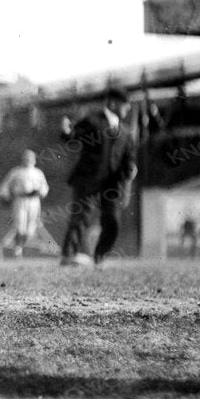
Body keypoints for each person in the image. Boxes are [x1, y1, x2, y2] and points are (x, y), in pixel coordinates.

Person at [58, 87, 139, 267]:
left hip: (112, 185)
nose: (127, 109)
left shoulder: (125, 132)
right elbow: (73, 137)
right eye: (125, 105)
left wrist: (129, 172)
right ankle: (68, 256)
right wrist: (65, 131)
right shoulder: (92, 120)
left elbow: (129, 159)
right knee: (82, 217)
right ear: (113, 103)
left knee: (113, 221)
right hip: (88, 180)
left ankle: (99, 257)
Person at [0, 149, 50, 258]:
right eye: (26, 157)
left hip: (34, 201)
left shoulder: (38, 173)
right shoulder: (16, 171)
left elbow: (44, 188)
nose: (28, 159)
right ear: (22, 158)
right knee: (20, 225)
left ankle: (21, 247)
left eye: (30, 157)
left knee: (31, 228)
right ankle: (18, 250)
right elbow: (5, 185)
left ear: (34, 159)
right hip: (20, 199)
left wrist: (41, 192)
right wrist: (6, 196)